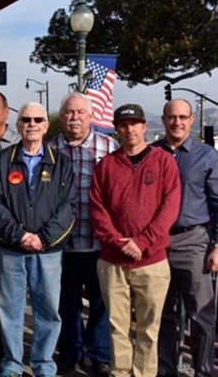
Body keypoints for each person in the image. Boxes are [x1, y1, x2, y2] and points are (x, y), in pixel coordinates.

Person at [0, 101, 77, 377]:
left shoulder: (61, 162)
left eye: (38, 119)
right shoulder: (2, 161)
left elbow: (68, 206)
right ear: (18, 124)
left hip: (48, 252)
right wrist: (20, 235)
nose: (32, 124)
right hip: (12, 250)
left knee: (48, 312)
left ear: (47, 126)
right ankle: (12, 364)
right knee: (10, 312)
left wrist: (43, 239)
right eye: (26, 119)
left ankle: (43, 364)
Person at [90, 104, 181, 377]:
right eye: (123, 124)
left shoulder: (164, 161)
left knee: (148, 329)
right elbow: (98, 209)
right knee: (117, 326)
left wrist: (141, 242)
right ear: (116, 129)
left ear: (145, 127)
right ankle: (120, 373)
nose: (129, 129)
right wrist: (119, 242)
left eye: (135, 123)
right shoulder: (106, 165)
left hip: (152, 261)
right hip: (112, 261)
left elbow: (170, 207)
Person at [48, 92, 116, 375]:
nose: (74, 118)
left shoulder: (108, 146)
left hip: (100, 241)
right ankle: (71, 352)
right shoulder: (50, 149)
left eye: (79, 112)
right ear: (62, 116)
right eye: (69, 112)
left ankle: (99, 354)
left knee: (102, 303)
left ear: (90, 116)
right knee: (67, 302)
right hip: (63, 244)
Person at [153, 99, 218, 377]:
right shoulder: (151, 153)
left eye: (183, 117)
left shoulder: (208, 156)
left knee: (200, 315)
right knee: (160, 314)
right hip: (156, 244)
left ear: (192, 120)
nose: (177, 122)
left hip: (193, 243)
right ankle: (166, 369)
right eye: (171, 117)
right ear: (164, 119)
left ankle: (202, 371)